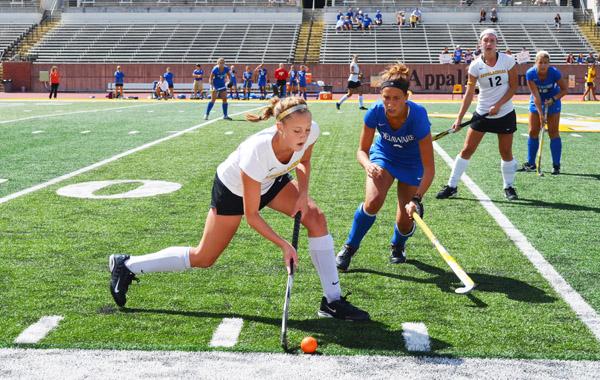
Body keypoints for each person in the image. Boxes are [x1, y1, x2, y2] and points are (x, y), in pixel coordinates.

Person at [108, 96, 371, 322]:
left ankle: (332, 301)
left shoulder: (310, 131)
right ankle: (128, 264)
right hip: (234, 189)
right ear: (279, 127)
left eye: (305, 129)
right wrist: (284, 245)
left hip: (271, 178)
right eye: (296, 131)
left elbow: (304, 161)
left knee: (316, 218)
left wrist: (303, 195)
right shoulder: (255, 151)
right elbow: (252, 216)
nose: (303, 136)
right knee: (204, 257)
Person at [336, 63, 434, 270]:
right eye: (386, 98)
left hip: (411, 163)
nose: (390, 103)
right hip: (384, 156)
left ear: (406, 97)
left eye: (396, 98)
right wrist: (368, 164)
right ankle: (349, 247)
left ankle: (398, 245)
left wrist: (417, 199)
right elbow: (361, 150)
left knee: (405, 221)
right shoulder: (375, 112)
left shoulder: (418, 116)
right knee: (372, 202)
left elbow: (429, 167)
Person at [436, 29, 519, 201]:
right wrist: (459, 119)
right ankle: (452, 186)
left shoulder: (508, 61)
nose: (489, 44)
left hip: (504, 113)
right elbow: (468, 94)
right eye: (486, 40)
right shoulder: (475, 66)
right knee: (467, 149)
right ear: (480, 43)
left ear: (496, 44)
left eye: (492, 41)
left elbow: (513, 87)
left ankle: (508, 187)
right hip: (482, 113)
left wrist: (498, 105)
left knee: (506, 152)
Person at [519, 51, 568, 175]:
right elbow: (535, 96)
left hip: (553, 101)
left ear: (549, 63)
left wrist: (553, 99)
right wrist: (541, 114)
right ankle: (531, 163)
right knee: (533, 131)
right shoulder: (530, 73)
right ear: (536, 63)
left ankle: (556, 165)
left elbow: (564, 90)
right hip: (537, 102)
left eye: (546, 63)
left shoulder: (555, 73)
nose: (543, 65)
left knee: (553, 132)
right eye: (540, 62)